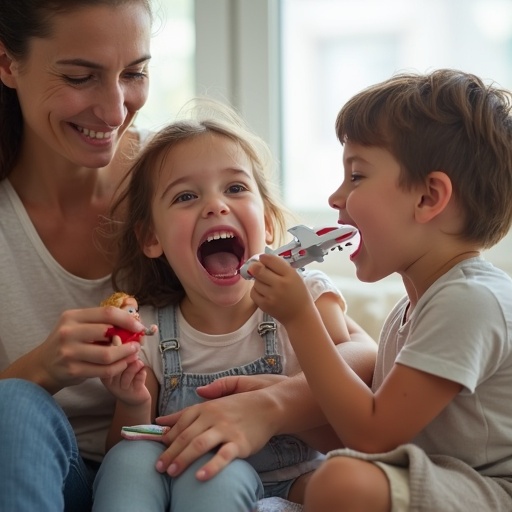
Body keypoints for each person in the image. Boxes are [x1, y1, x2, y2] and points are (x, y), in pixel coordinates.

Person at [243, 69, 512, 511]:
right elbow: (363, 436)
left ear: (428, 198)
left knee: (341, 483)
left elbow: (371, 437)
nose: (335, 197)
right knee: (331, 478)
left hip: (492, 492)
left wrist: (299, 316)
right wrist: (274, 404)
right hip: (434, 479)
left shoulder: (470, 301)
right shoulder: (410, 311)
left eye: (357, 176)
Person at [91, 100, 375, 512]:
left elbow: (364, 357)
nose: (215, 205)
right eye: (186, 196)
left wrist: (296, 328)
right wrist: (133, 402)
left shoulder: (301, 296)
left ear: (270, 223)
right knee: (128, 458)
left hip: (291, 487)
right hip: (183, 478)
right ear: (151, 238)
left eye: (236, 188)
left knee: (218, 478)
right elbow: (125, 447)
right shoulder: (150, 332)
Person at [0, 1, 154, 511]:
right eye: (80, 77)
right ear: (6, 63)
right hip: (34, 472)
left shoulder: (185, 179)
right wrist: (44, 366)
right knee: (16, 404)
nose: (115, 111)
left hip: (159, 474)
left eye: (134, 73)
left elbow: (348, 346)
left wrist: (269, 405)